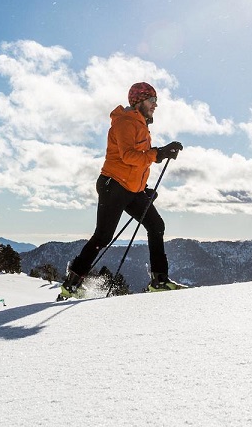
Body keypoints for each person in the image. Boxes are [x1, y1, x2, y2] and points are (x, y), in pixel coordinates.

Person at [59, 82, 185, 299]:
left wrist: (143, 189)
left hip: (129, 187)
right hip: (114, 185)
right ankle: (72, 283)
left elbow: (135, 163)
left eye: (156, 100)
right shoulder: (126, 122)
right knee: (103, 236)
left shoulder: (141, 124)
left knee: (156, 225)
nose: (156, 105)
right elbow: (128, 156)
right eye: (152, 100)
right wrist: (159, 154)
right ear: (138, 101)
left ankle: (159, 280)